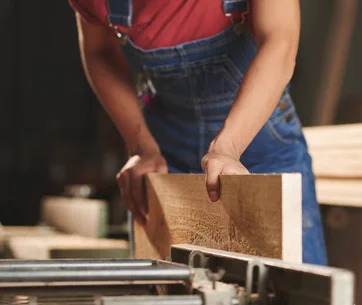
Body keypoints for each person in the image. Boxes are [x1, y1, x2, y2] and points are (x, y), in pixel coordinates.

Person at [69, 0, 328, 265]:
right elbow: (99, 51)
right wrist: (142, 147)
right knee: (165, 298)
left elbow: (280, 40)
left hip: (262, 150)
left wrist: (228, 148)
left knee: (294, 294)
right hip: (166, 157)